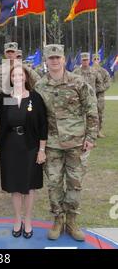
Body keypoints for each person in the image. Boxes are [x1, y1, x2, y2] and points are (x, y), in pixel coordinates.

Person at [35, 45, 99, 241]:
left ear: (64, 59)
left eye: (57, 57)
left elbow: (92, 110)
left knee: (75, 183)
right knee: (54, 184)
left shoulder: (78, 82)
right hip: (52, 144)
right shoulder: (40, 86)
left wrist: (90, 138)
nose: (54, 61)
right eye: (50, 58)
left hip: (76, 143)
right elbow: (37, 118)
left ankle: (71, 220)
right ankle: (58, 219)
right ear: (45, 61)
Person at [0, 65, 47, 239]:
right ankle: (17, 219)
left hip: (30, 146)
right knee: (15, 186)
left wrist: (41, 150)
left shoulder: (35, 98)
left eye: (20, 74)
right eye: (14, 75)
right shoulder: (4, 98)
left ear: (25, 77)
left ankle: (28, 219)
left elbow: (43, 126)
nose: (17, 78)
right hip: (9, 147)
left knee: (29, 185)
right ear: (10, 78)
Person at [92, 54, 111, 138]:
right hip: (89, 96)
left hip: (100, 96)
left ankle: (98, 131)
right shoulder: (89, 70)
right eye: (94, 59)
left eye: (97, 59)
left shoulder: (103, 71)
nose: (96, 60)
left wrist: (101, 89)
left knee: (100, 114)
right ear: (92, 60)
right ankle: (89, 132)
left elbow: (108, 82)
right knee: (89, 114)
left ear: (100, 60)